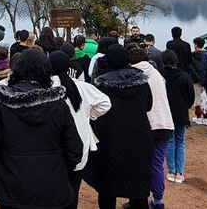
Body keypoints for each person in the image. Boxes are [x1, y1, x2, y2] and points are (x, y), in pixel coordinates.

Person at [0, 49, 83, 209]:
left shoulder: (0, 101)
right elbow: (75, 149)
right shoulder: (59, 104)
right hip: (52, 184)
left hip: (12, 184)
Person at [84, 44, 153, 209]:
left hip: (110, 137)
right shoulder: (142, 82)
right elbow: (148, 105)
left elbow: (96, 111)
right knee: (137, 183)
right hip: (138, 136)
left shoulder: (102, 85)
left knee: (107, 185)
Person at [49, 51, 112, 209]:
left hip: (52, 147)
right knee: (73, 188)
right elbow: (105, 103)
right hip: (79, 145)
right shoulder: (82, 86)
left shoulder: (45, 87)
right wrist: (90, 114)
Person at [129, 45, 174, 209]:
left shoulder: (134, 75)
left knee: (139, 163)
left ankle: (137, 198)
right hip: (165, 123)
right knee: (157, 164)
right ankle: (158, 201)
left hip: (146, 125)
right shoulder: (157, 74)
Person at [160, 50, 195, 185]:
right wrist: (185, 106)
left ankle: (171, 170)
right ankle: (179, 172)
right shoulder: (185, 76)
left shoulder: (161, 76)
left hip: (167, 113)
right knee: (180, 142)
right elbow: (191, 96)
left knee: (170, 142)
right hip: (181, 113)